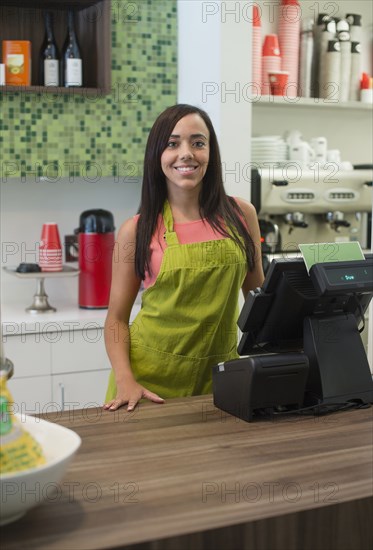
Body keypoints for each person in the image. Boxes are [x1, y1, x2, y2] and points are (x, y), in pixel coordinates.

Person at [103, 104, 264, 412]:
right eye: (173, 144)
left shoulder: (242, 215)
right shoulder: (136, 230)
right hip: (148, 384)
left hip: (221, 378)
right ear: (157, 155)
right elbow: (116, 319)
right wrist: (126, 380)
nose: (186, 153)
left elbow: (258, 300)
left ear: (210, 153)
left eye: (198, 142)